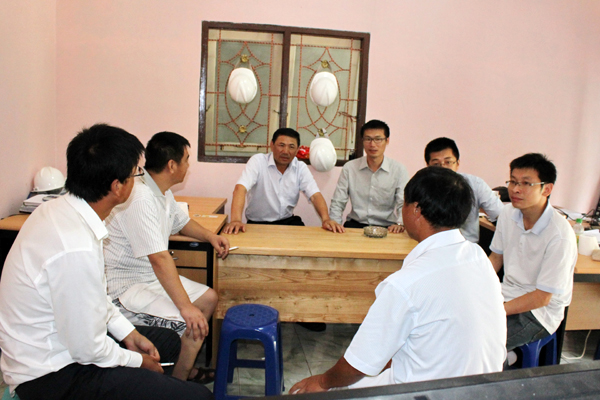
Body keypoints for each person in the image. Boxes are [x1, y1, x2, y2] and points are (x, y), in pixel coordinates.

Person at [0, 124, 213, 400]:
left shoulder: (60, 210)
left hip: (62, 347)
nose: (140, 179)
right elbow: (88, 348)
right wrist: (136, 361)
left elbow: (96, 299)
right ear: (117, 187)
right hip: (51, 374)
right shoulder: (75, 247)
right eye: (136, 173)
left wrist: (129, 334)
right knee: (198, 396)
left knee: (167, 343)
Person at [290, 167, 506, 393]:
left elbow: (357, 365)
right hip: (486, 389)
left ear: (415, 210)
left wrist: (322, 382)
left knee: (323, 391)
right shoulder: (478, 257)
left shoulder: (406, 283)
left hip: (427, 393)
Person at [104, 131, 229, 383]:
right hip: (124, 289)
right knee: (190, 321)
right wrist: (186, 307)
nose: (188, 165)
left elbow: (181, 223)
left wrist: (211, 237)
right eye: (187, 159)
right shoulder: (140, 197)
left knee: (208, 298)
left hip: (148, 278)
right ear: (172, 165)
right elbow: (159, 259)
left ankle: (182, 373)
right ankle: (176, 387)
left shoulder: (161, 191)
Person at [488, 153, 577, 353]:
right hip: (507, 293)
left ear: (547, 189)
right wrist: (476, 288)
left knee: (484, 339)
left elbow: (542, 298)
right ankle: (507, 356)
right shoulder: (508, 214)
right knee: (460, 321)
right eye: (513, 181)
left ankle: (506, 359)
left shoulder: (559, 235)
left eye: (526, 183)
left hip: (540, 313)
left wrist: (495, 311)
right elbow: (496, 258)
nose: (515, 189)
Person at [222, 127, 344, 234]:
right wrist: (236, 220)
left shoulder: (300, 167)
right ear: (272, 145)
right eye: (281, 145)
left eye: (291, 147)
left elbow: (315, 195)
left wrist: (326, 219)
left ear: (297, 150)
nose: (285, 151)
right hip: (258, 223)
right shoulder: (258, 161)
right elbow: (240, 189)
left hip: (287, 222)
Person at [329, 120, 409, 233]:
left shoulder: (399, 170)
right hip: (355, 225)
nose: (372, 144)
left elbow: (403, 202)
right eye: (368, 139)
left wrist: (400, 223)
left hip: (387, 228)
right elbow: (338, 201)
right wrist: (335, 223)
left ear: (387, 141)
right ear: (362, 141)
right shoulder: (350, 168)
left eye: (378, 139)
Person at [424, 137, 504, 243]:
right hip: (433, 246)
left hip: (467, 246)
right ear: (428, 167)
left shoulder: (475, 184)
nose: (443, 168)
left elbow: (501, 216)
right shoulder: (422, 188)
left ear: (457, 163)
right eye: (436, 164)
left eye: (448, 162)